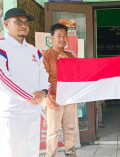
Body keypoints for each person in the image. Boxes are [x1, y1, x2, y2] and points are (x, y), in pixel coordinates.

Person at [0, 8, 49, 157]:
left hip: (33, 111)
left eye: (26, 22)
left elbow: (43, 73)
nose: (23, 25)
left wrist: (43, 92)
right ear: (6, 24)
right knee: (12, 152)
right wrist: (29, 97)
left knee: (31, 152)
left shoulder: (34, 51)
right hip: (13, 113)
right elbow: (3, 78)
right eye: (18, 21)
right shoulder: (2, 47)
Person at [43, 23, 80, 157]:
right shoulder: (46, 55)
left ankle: (70, 153)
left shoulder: (70, 55)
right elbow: (42, 78)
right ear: (52, 37)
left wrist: (67, 64)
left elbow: (76, 76)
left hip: (69, 98)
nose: (62, 39)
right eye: (59, 36)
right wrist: (47, 100)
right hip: (54, 98)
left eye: (65, 36)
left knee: (69, 129)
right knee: (53, 131)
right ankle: (51, 155)